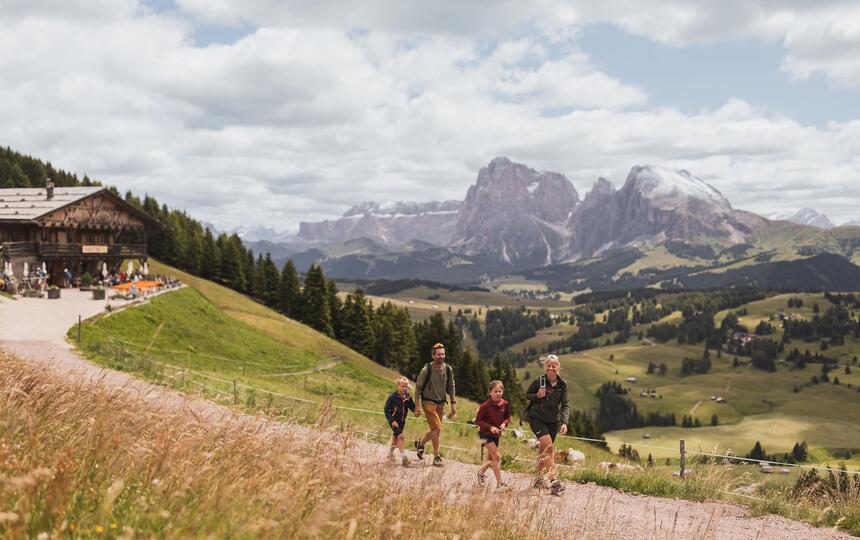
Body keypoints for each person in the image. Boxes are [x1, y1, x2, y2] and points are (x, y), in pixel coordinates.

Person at [525, 354, 569, 496]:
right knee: (549, 449)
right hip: (537, 418)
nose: (551, 368)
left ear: (559, 367)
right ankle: (554, 480)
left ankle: (537, 479)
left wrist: (564, 422)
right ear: (545, 367)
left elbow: (565, 404)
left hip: (553, 421)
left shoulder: (563, 385)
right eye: (548, 365)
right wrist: (536, 395)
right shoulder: (539, 381)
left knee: (543, 451)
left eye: (554, 365)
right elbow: (527, 395)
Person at [414, 342, 456, 467]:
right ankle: (436, 456)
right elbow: (418, 388)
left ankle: (420, 444)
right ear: (433, 356)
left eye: (443, 354)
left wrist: (453, 404)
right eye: (438, 354)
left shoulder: (448, 369)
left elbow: (451, 386)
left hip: (441, 404)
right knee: (437, 429)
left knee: (435, 430)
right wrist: (417, 405)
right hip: (428, 402)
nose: (441, 356)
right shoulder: (426, 369)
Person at [475, 380, 511, 490]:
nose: (498, 393)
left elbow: (507, 417)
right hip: (485, 433)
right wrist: (490, 427)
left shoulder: (505, 404)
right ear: (490, 392)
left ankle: (481, 472)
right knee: (497, 456)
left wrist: (504, 424)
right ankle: (500, 484)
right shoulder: (485, 405)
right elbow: (478, 421)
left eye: (500, 391)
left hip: (496, 435)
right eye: (495, 391)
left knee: (491, 459)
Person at [384, 376, 420, 466]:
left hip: (402, 421)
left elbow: (412, 408)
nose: (404, 388)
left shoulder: (407, 397)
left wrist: (416, 412)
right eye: (402, 386)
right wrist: (392, 421)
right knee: (400, 436)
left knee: (396, 438)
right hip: (394, 421)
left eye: (406, 386)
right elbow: (386, 410)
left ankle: (390, 454)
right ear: (398, 386)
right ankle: (405, 459)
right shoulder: (392, 397)